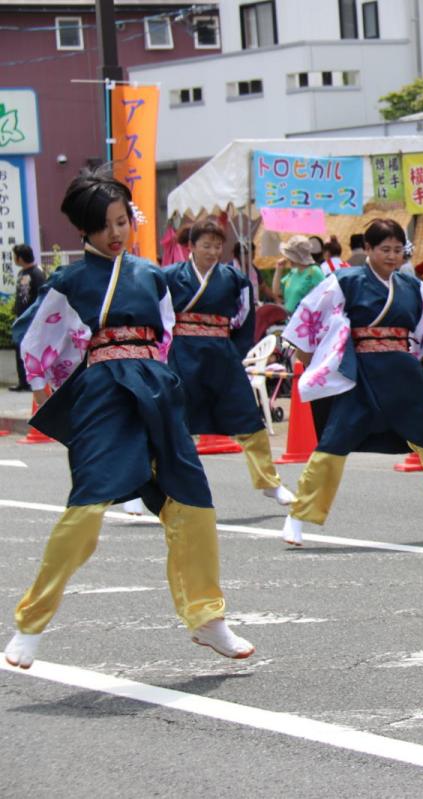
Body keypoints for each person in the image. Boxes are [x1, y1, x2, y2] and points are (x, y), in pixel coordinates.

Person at [3, 171, 254, 670]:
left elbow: (163, 335)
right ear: (84, 230)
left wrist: (160, 379)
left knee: (194, 503)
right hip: (104, 390)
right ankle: (31, 622)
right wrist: (63, 380)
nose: (115, 234)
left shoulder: (150, 274)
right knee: (87, 507)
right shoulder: (68, 281)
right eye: (103, 227)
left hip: (156, 387)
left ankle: (207, 616)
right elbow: (33, 338)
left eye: (121, 221)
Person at [279, 218, 423, 545]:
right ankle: (299, 516)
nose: (391, 256)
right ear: (369, 249)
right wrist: (312, 358)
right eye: (384, 249)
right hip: (360, 374)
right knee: (333, 442)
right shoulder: (346, 280)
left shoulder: (412, 286)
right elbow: (309, 313)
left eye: (397, 250)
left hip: (403, 372)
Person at [163, 219, 296, 506]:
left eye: (217, 246)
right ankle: (149, 484)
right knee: (170, 420)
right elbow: (159, 317)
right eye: (206, 245)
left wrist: (234, 352)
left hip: (222, 354)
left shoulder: (234, 279)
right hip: (183, 353)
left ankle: (268, 481)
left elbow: (246, 318)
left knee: (248, 415)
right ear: (191, 246)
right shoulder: (170, 277)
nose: (212, 251)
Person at [10, 243, 44, 391]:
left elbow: (42, 297)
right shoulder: (21, 274)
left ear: (21, 257)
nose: (14, 259)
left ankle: (33, 383)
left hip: (32, 321)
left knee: (32, 352)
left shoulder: (37, 274)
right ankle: (22, 382)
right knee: (19, 351)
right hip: (21, 319)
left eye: (15, 256)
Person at [272, 234, 325, 315]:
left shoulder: (314, 271)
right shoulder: (293, 271)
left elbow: (325, 297)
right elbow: (276, 292)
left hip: (306, 322)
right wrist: (278, 270)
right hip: (290, 321)